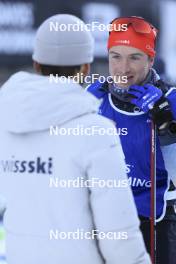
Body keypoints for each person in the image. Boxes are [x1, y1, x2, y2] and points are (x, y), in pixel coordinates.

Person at [0, 14, 150, 264]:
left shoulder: (6, 123)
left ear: (36, 63)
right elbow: (117, 236)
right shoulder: (97, 132)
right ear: (86, 68)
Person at [87, 16, 176, 263]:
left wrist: (166, 125)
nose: (123, 68)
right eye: (116, 56)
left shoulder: (171, 99)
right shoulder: (93, 97)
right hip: (102, 220)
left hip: (154, 224)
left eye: (134, 57)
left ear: (150, 59)